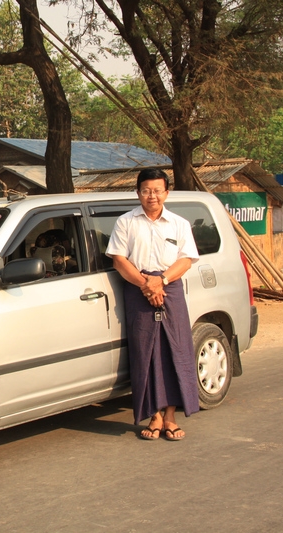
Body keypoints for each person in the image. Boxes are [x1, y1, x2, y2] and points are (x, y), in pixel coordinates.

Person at [105, 168, 200, 441]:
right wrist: (146, 285)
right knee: (145, 352)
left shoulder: (179, 224)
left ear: (166, 193)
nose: (152, 196)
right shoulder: (126, 222)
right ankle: (153, 416)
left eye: (157, 190)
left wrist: (162, 281)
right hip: (137, 289)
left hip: (170, 289)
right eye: (146, 190)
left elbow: (186, 259)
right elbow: (119, 260)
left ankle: (170, 417)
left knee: (174, 351)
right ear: (138, 193)